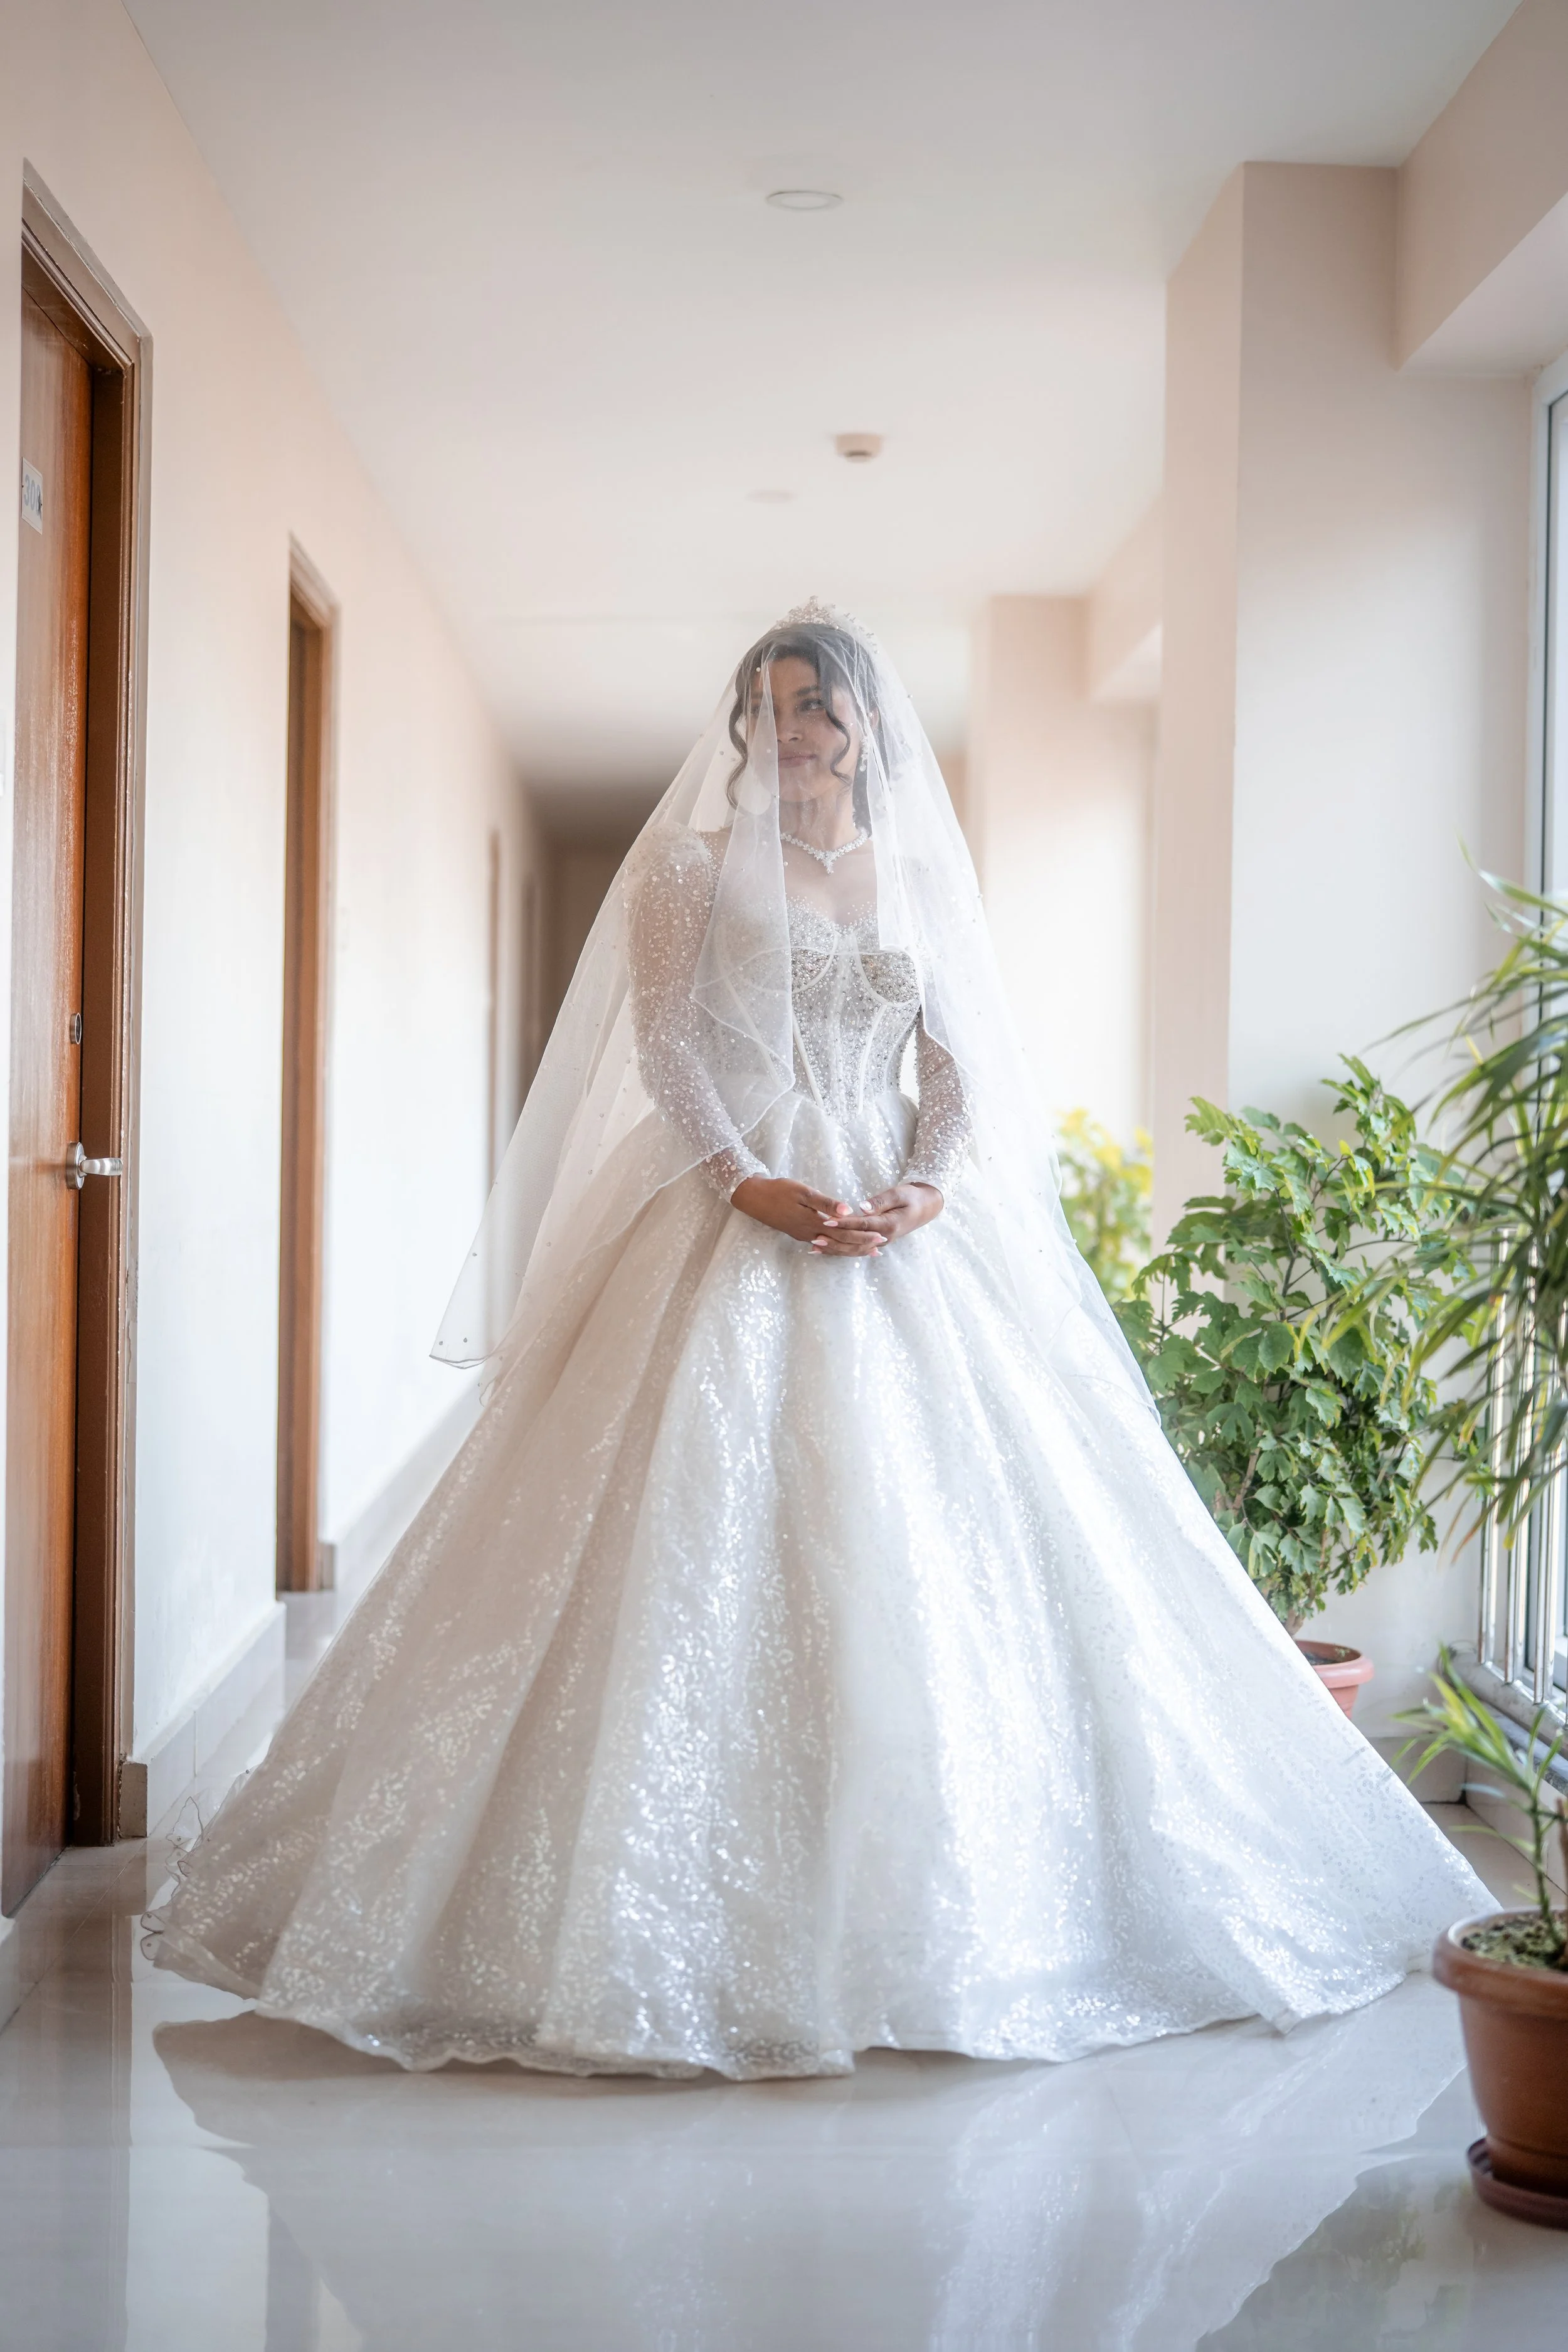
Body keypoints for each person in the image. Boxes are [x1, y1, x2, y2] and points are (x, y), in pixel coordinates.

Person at [151, 603, 1485, 2079]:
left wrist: (925, 1181)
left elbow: (955, 1061)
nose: (791, 733)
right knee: (674, 1535)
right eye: (769, 709)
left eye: (816, 709)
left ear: (863, 725)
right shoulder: (684, 865)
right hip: (733, 1202)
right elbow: (665, 1047)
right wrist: (748, 1183)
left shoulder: (915, 873)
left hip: (904, 1221)